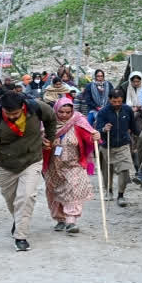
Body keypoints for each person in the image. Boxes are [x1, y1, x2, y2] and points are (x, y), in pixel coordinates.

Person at [0, 91, 58, 252]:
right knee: (12, 200)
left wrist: (50, 137)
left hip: (31, 160)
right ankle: (19, 220)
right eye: (8, 113)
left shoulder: (38, 108)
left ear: (23, 107)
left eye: (15, 113)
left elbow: (51, 119)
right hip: (5, 164)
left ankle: (21, 236)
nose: (12, 116)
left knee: (26, 197)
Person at [45, 97, 98, 234]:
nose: (64, 115)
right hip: (53, 165)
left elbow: (88, 136)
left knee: (73, 189)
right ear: (56, 111)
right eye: (61, 112)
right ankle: (60, 219)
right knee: (55, 192)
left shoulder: (78, 122)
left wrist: (94, 136)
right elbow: (41, 139)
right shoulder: (48, 124)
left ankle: (71, 221)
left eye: (68, 112)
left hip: (74, 164)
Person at [95, 88, 135, 207]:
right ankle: (109, 190)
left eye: (119, 102)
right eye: (114, 102)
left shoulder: (128, 110)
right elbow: (97, 129)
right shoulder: (103, 112)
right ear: (109, 100)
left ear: (122, 100)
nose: (117, 104)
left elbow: (132, 126)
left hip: (123, 145)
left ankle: (121, 195)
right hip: (107, 146)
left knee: (124, 170)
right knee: (107, 170)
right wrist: (103, 129)